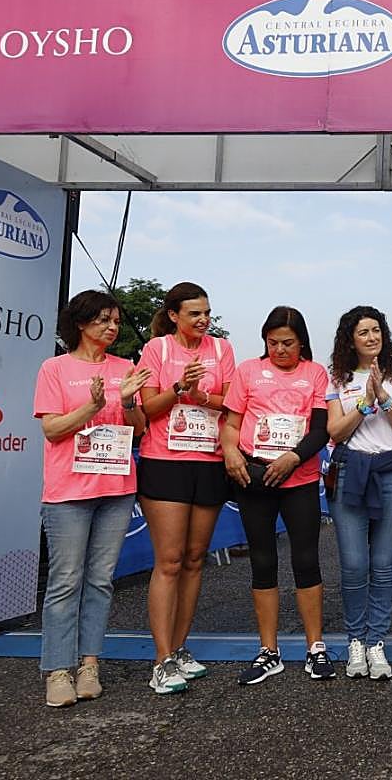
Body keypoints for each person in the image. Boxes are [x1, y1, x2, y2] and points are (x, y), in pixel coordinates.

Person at [33, 290, 151, 707]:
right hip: (67, 492)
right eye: (103, 319)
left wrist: (129, 400)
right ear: (80, 323)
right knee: (65, 581)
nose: (112, 326)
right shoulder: (55, 368)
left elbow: (138, 428)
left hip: (116, 490)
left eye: (115, 320)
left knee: (101, 581)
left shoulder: (126, 368)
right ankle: (58, 671)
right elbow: (51, 429)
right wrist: (93, 405)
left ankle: (89, 664)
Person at [222, 306, 333, 684]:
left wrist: (293, 458)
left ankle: (314, 648)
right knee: (263, 561)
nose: (280, 349)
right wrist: (231, 452)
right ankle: (268, 651)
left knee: (306, 560)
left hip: (297, 477)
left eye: (288, 343)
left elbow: (321, 430)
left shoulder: (315, 373)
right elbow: (232, 422)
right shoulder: (249, 371)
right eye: (273, 343)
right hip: (255, 476)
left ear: (301, 342)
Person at [135, 282, 236, 694]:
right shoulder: (156, 350)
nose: (203, 319)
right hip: (165, 462)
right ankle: (161, 660)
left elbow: (231, 401)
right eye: (194, 312)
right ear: (174, 315)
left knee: (196, 559)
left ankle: (178, 649)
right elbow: (147, 408)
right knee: (170, 561)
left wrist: (200, 393)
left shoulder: (221, 350)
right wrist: (177, 388)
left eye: (207, 312)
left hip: (208, 461)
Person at [325, 306, 392, 681]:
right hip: (352, 472)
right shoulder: (337, 378)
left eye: (376, 330)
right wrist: (364, 402)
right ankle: (355, 641)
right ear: (350, 339)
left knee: (383, 564)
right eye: (363, 332)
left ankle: (376, 642)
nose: (372, 337)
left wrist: (384, 396)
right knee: (354, 564)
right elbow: (335, 432)